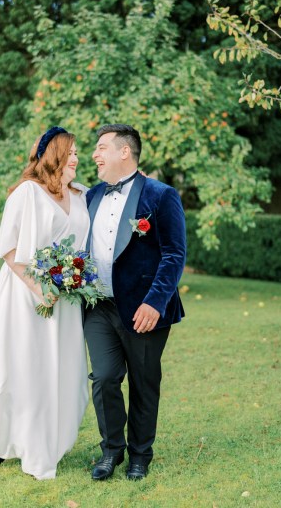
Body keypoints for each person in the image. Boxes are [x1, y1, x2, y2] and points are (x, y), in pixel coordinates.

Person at [0, 126, 89, 480]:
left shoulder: (81, 194)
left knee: (59, 370)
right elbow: (10, 250)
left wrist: (71, 279)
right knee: (21, 368)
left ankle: (50, 440)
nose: (76, 158)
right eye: (71, 152)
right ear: (54, 154)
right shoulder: (27, 193)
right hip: (25, 298)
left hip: (67, 300)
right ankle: (6, 441)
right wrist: (39, 288)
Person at [84, 124, 186, 481]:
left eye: (101, 148)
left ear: (124, 152)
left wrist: (155, 303)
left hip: (145, 310)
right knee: (105, 378)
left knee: (144, 382)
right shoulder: (90, 196)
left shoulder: (161, 195)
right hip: (99, 307)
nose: (94, 155)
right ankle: (111, 451)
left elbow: (174, 254)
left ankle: (141, 454)